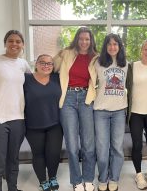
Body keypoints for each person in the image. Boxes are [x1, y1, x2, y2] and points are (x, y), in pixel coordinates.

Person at [0, 30, 31, 191]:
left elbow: (32, 88)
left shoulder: (23, 64)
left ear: (23, 45)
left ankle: (13, 188)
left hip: (18, 120)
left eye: (18, 41)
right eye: (11, 40)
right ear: (5, 43)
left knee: (13, 160)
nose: (14, 44)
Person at [53, 27, 98, 191]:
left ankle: (88, 178)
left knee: (88, 144)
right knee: (72, 145)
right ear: (76, 39)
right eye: (81, 39)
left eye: (87, 39)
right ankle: (76, 181)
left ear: (91, 40)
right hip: (68, 100)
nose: (84, 42)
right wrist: (58, 54)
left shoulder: (96, 57)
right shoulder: (66, 53)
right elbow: (50, 66)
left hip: (87, 99)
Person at [93, 33, 128, 191]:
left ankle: (114, 178)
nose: (112, 47)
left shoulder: (126, 64)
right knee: (101, 148)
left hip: (119, 111)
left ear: (119, 47)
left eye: (115, 44)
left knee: (117, 147)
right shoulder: (97, 63)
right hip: (100, 111)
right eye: (109, 44)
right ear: (105, 47)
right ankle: (102, 177)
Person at [24, 54, 62, 191]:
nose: (46, 66)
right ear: (36, 64)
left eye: (49, 63)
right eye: (42, 63)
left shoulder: (57, 78)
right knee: (38, 153)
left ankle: (52, 177)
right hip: (33, 125)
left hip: (55, 124)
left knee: (54, 153)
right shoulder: (26, 79)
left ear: (53, 66)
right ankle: (42, 180)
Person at [126, 39, 147, 190]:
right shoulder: (132, 66)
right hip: (136, 113)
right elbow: (125, 87)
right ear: (141, 50)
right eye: (146, 49)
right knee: (137, 144)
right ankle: (139, 174)